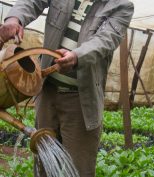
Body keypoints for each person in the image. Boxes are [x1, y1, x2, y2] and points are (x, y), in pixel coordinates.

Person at [2, 0, 134, 176]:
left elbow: (105, 40)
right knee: (43, 166)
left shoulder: (121, 6)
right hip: (47, 95)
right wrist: (14, 19)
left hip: (80, 102)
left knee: (79, 169)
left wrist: (77, 56)